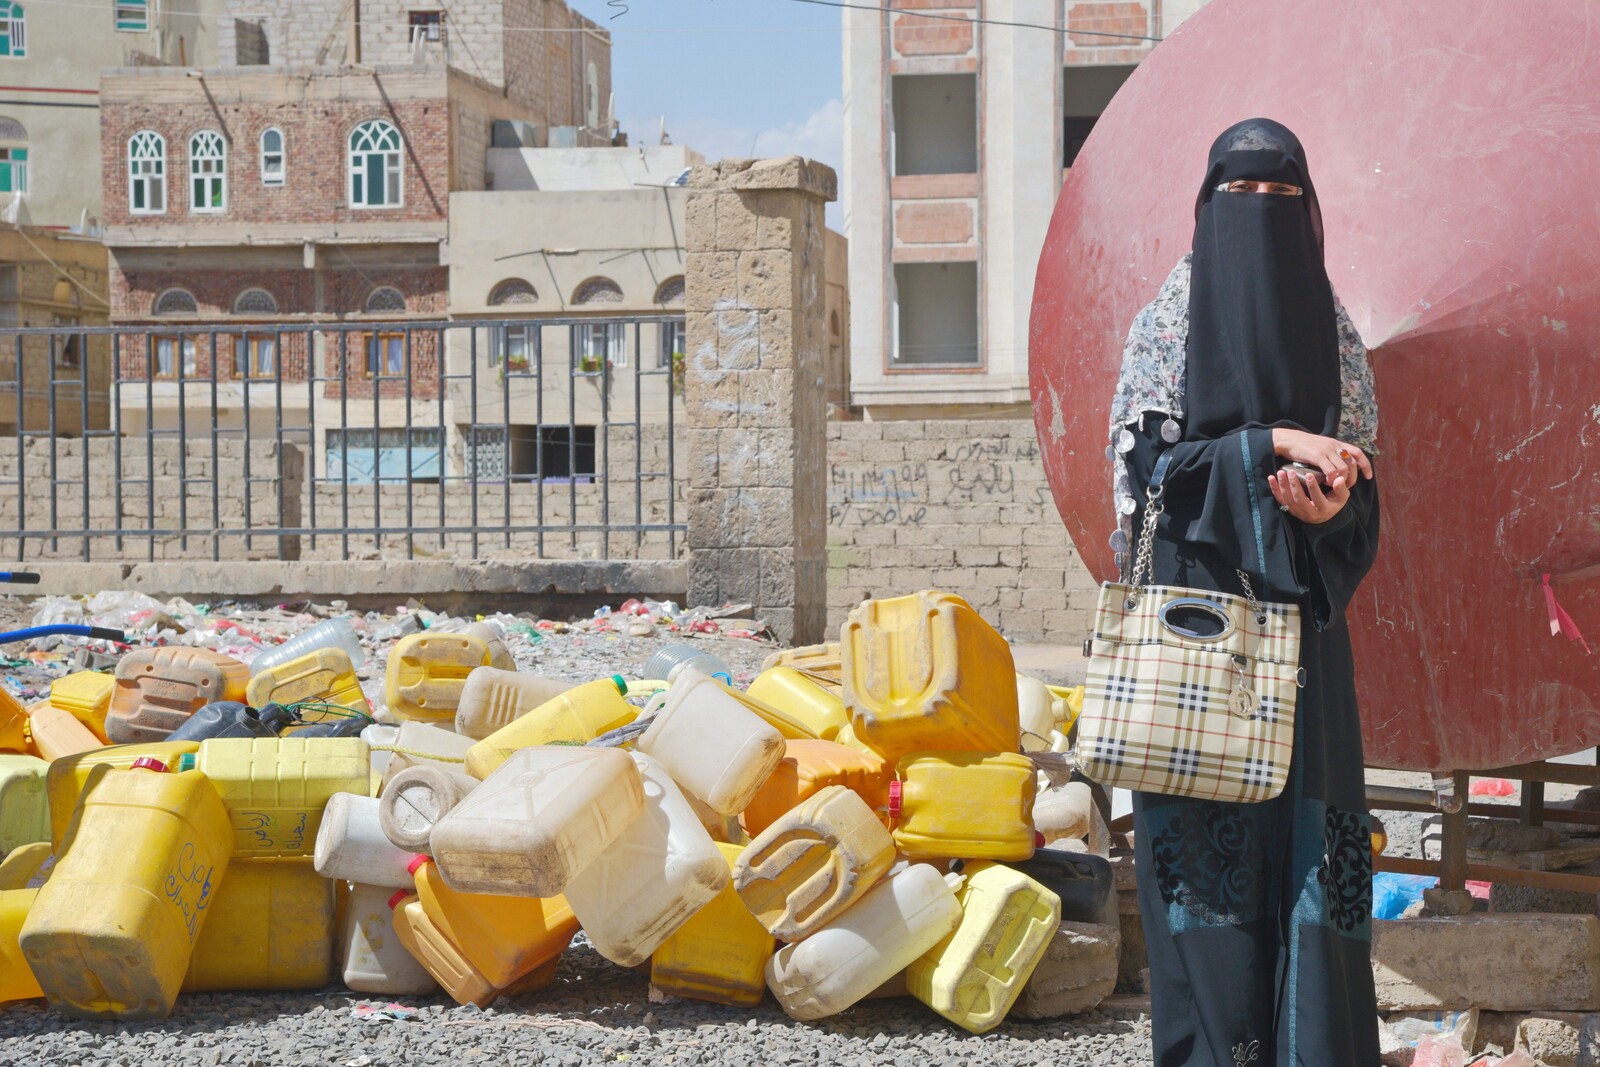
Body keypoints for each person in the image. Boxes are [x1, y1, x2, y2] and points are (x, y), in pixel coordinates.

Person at [1106, 118, 1382, 1065]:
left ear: (1310, 216)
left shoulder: (1335, 333)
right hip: (1197, 651)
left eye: (1282, 197)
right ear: (1206, 205)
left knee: (1316, 876)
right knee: (1205, 896)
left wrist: (1326, 513)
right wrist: (1269, 444)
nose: (1260, 216)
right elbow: (1147, 478)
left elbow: (1365, 506)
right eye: (1241, 195)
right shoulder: (1167, 323)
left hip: (1305, 657)